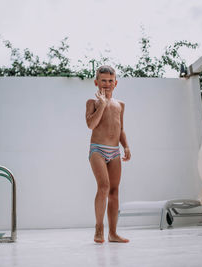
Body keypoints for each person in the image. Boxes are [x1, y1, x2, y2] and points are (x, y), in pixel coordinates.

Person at [85, 65, 131, 243]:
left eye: (110, 81)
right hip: (97, 149)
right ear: (96, 82)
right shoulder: (92, 102)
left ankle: (113, 233)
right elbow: (91, 125)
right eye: (103, 80)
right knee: (103, 186)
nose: (107, 84)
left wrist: (126, 146)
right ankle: (99, 228)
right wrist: (102, 105)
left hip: (115, 151)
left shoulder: (120, 105)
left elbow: (121, 128)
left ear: (116, 83)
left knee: (114, 191)